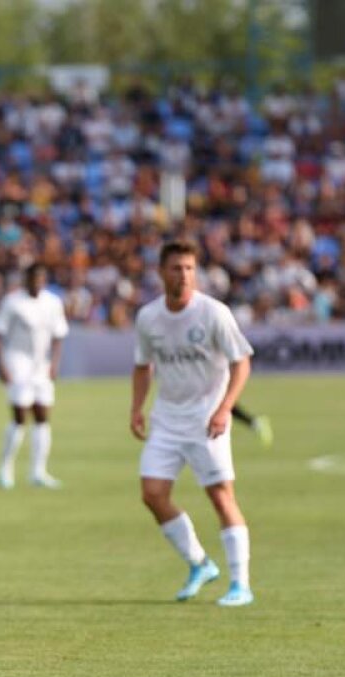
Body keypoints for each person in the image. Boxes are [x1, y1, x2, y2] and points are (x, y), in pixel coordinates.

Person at [131, 240, 256, 607]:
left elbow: (241, 362)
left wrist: (225, 408)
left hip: (207, 420)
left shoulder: (214, 313)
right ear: (161, 273)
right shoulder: (149, 317)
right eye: (176, 268)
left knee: (221, 497)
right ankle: (200, 563)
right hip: (167, 420)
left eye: (189, 268)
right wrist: (136, 407)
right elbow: (143, 366)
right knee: (152, 494)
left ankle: (241, 585)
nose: (183, 275)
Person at [0, 263, 69, 489]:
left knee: (43, 416)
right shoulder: (13, 302)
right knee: (19, 416)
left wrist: (54, 364)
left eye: (40, 278)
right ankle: (5, 469)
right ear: (26, 280)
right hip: (18, 362)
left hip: (40, 366)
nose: (37, 282)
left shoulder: (53, 302)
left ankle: (38, 471)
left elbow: (58, 335)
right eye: (33, 278)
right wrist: (1, 366)